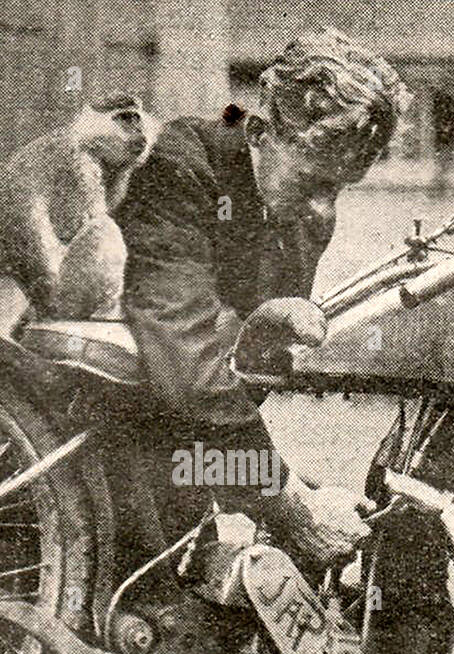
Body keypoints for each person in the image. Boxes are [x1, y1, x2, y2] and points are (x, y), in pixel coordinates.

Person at [112, 27, 412, 574]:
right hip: (64, 442)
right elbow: (190, 367)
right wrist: (289, 503)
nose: (322, 208)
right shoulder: (182, 167)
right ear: (259, 134)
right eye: (313, 180)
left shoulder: (301, 216)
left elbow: (242, 386)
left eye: (340, 188)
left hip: (166, 453)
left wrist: (284, 492)